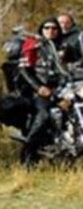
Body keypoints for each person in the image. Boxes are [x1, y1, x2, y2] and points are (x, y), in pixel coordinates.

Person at [17, 18, 68, 166]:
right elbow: (24, 70)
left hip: (63, 88)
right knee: (45, 115)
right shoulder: (34, 45)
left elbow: (75, 65)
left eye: (54, 28)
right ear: (42, 29)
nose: (51, 31)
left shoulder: (65, 46)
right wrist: (38, 87)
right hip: (41, 90)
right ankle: (28, 152)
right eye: (47, 28)